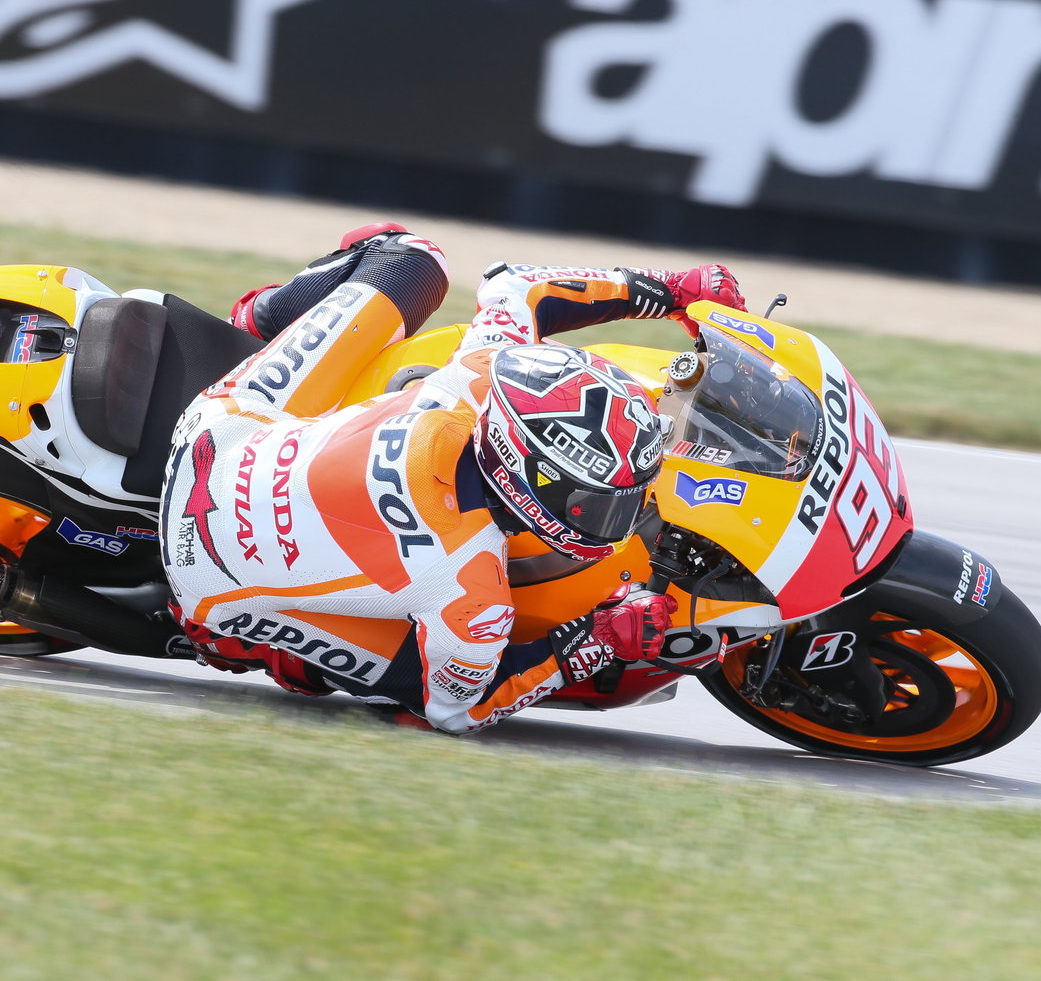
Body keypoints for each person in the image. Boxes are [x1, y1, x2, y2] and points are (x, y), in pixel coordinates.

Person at [161, 223, 745, 732]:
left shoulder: (476, 376)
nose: (617, 514)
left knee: (407, 257)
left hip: (220, 431)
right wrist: (594, 641)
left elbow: (517, 287)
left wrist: (671, 289)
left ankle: (263, 320)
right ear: (525, 480)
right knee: (413, 690)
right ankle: (253, 648)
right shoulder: (470, 585)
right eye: (594, 503)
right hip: (205, 574)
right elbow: (458, 711)